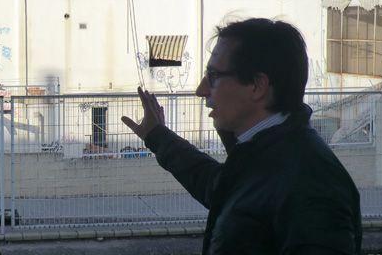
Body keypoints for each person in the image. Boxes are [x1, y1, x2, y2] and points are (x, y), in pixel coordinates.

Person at [122, 18, 362, 254]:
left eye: (214, 76)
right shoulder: (266, 153)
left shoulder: (312, 185)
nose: (201, 90)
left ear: (257, 86)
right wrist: (158, 136)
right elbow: (221, 189)